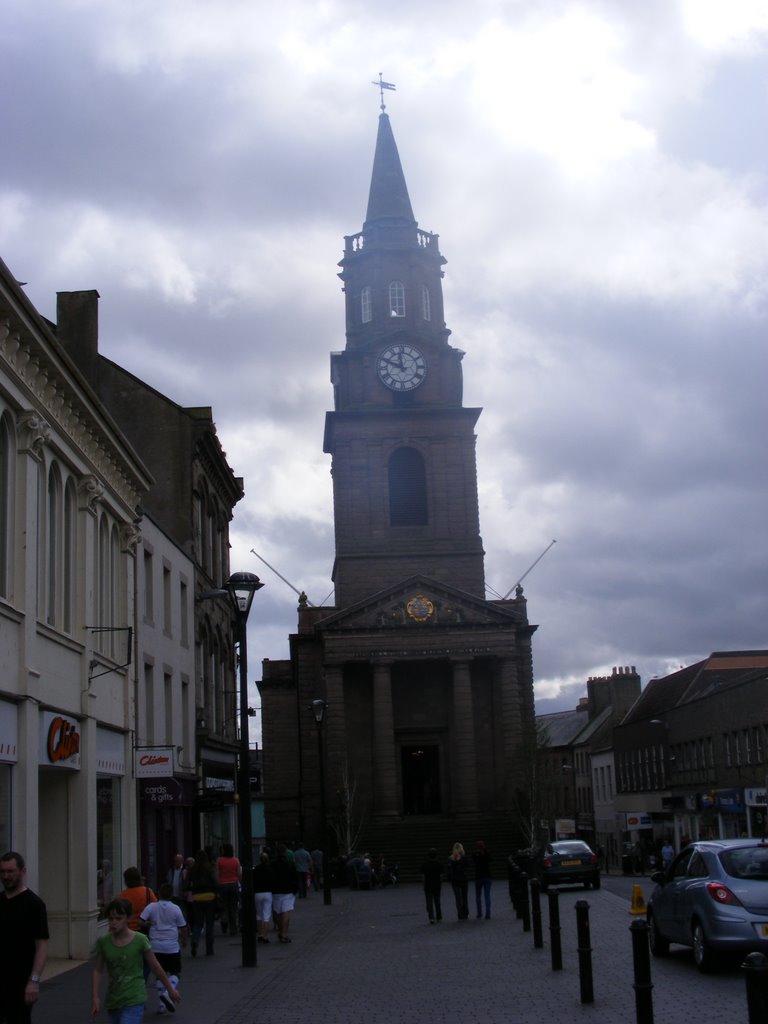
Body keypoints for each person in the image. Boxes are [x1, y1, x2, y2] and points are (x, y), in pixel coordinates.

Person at [92, 897, 180, 1022]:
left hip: (134, 997)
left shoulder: (140, 940)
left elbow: (155, 966)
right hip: (114, 999)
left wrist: (170, 990)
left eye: (118, 918)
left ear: (128, 919)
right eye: (111, 919)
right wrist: (95, 997)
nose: (113, 922)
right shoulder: (104, 942)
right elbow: (98, 970)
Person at [0, 851, 49, 1024]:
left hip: (20, 981)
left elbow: (41, 945)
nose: (6, 876)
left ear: (23, 871)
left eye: (10, 871)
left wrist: (34, 980)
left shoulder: (34, 904)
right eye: (3, 872)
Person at [139, 883, 187, 1015]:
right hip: (171, 946)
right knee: (175, 972)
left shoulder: (152, 907)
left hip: (155, 946)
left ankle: (161, 1005)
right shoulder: (176, 908)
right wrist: (184, 940)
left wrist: (149, 923)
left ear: (159, 893)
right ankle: (167, 992)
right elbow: (183, 927)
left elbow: (141, 921)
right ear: (172, 895)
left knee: (160, 974)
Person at [185, 850, 218, 957]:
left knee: (198, 924)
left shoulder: (192, 869)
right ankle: (209, 949)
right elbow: (215, 882)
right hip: (209, 897)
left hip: (197, 898)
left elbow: (185, 884)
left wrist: (192, 888)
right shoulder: (209, 868)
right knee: (209, 925)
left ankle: (194, 941)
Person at [271, 845, 298, 943]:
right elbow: (295, 877)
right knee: (286, 912)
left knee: (278, 912)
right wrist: (295, 889)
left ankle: (280, 930)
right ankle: (284, 934)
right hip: (288, 891)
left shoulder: (273, 864)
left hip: (276, 891)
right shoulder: (290, 864)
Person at [215, 843, 241, 936]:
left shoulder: (219, 860)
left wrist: (217, 886)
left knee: (223, 907)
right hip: (233, 885)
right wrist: (239, 883)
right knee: (233, 908)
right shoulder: (236, 860)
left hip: (223, 885)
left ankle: (224, 922)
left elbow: (217, 874)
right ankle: (233, 929)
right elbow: (239, 873)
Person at [252, 851, 273, 944]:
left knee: (259, 914)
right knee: (266, 915)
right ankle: (265, 935)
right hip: (268, 892)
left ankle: (260, 934)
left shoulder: (256, 869)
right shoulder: (270, 869)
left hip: (258, 893)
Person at [446, 842, 469, 920]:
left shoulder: (450, 859)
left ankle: (460, 913)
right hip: (463, 879)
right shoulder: (464, 858)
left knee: (458, 898)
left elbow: (449, 871)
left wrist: (450, 879)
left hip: (455, 881)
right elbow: (467, 866)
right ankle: (465, 913)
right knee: (464, 897)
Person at [419, 848, 442, 924]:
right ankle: (439, 917)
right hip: (437, 885)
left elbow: (423, 876)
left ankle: (431, 917)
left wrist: (423, 884)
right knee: (437, 901)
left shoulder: (425, 864)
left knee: (429, 902)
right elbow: (441, 876)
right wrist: (440, 883)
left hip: (428, 885)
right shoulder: (439, 864)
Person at [472, 840, 492, 919]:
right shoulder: (487, 853)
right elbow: (491, 859)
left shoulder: (475, 854)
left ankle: (479, 912)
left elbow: (473, 860)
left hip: (478, 876)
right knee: (487, 895)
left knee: (478, 896)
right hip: (487, 876)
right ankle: (488, 913)